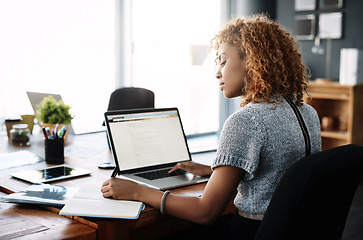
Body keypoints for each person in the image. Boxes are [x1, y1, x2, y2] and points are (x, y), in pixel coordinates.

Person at [101, 14, 321, 239]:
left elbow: (205, 212)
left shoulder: (247, 121)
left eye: (223, 61)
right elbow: (278, 174)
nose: (217, 72)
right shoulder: (307, 113)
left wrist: (137, 190)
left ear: (252, 61)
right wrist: (213, 170)